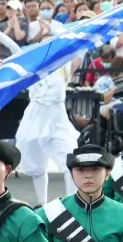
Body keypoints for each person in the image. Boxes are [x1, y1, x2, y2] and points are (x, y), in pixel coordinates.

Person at [16, 71, 80, 205]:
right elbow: (19, 55)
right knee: (37, 165)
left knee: (71, 162)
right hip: (34, 120)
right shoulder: (35, 66)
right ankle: (42, 204)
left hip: (57, 121)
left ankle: (74, 204)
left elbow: (79, 51)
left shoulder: (64, 65)